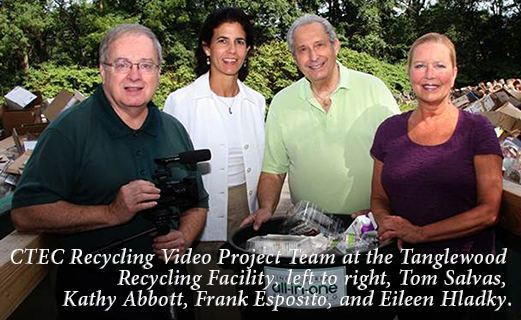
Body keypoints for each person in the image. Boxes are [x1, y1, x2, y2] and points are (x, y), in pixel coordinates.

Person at [10, 24, 208, 320]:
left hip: (171, 295)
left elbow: (198, 203)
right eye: (122, 64)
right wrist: (110, 212)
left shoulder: (173, 129)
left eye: (145, 65)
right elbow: (26, 212)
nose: (135, 75)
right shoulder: (69, 131)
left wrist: (184, 236)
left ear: (158, 72)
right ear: (103, 70)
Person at [370, 32, 503, 320]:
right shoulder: (388, 130)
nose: (430, 74)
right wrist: (387, 223)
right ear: (409, 72)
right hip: (407, 276)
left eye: (440, 65)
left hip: (466, 279)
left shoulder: (477, 130)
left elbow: (489, 211)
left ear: (454, 74)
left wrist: (419, 233)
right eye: (420, 65)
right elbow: (379, 197)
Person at [241, 14, 399, 229]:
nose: (313, 56)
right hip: (309, 231)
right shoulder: (282, 102)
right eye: (302, 49)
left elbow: (400, 157)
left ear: (336, 46)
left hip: (369, 225)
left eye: (319, 45)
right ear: (294, 57)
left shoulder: (374, 89)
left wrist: (384, 208)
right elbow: (273, 170)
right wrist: (266, 208)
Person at [163, 7, 264, 320]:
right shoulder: (182, 101)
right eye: (223, 41)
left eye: (239, 42)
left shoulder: (256, 101)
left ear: (247, 49)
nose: (231, 51)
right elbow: (171, 172)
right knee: (215, 304)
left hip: (248, 215)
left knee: (250, 300)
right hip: (202, 218)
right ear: (207, 47)